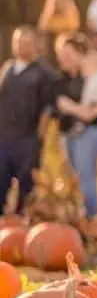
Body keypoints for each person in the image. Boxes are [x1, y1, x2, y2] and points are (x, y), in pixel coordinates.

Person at [54, 37, 97, 220]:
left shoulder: (95, 76)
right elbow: (60, 102)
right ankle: (80, 214)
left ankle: (93, 216)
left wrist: (90, 113)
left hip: (90, 131)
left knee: (85, 173)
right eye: (62, 55)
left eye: (68, 54)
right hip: (69, 132)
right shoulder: (62, 79)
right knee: (75, 175)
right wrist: (80, 111)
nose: (64, 59)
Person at [0, 26, 55, 215]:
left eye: (26, 43)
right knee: (1, 179)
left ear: (35, 44)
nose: (22, 47)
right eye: (18, 42)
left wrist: (38, 139)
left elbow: (48, 108)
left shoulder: (44, 73)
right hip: (4, 135)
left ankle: (21, 220)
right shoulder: (7, 69)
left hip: (28, 137)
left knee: (26, 183)